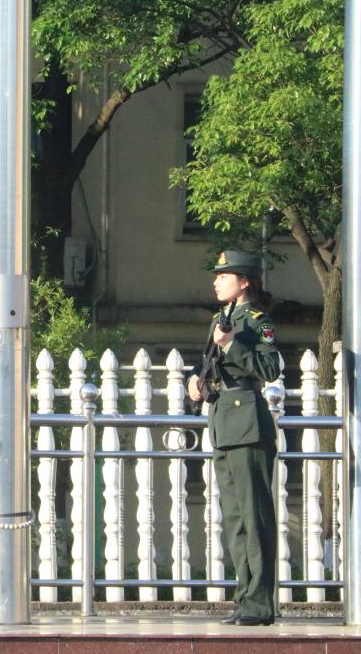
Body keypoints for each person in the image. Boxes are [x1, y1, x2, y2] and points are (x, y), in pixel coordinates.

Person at [187, 249, 280, 627]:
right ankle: (245, 600)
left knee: (254, 518)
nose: (216, 281)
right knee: (235, 520)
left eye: (224, 276)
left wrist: (230, 344)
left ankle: (260, 604)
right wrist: (194, 380)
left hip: (248, 423)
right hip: (224, 421)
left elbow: (269, 368)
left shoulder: (257, 320)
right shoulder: (220, 319)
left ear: (244, 282)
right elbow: (206, 364)